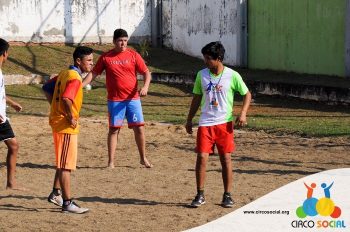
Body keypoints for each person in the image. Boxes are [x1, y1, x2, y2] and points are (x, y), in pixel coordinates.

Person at [186, 41, 252, 208]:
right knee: (201, 157)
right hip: (205, 123)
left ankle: (227, 195)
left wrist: (243, 113)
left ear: (219, 58)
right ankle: (200, 194)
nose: (205, 61)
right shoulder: (201, 75)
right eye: (204, 58)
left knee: (226, 159)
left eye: (208, 58)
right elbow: (196, 98)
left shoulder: (232, 75)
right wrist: (189, 119)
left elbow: (247, 94)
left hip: (224, 124)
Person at [83, 28, 152, 169]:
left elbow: (146, 72)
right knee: (114, 130)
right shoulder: (106, 57)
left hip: (133, 99)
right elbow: (94, 73)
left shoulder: (133, 55)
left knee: (139, 128)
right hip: (115, 100)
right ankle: (111, 162)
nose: (123, 43)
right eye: (120, 40)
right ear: (114, 41)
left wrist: (145, 87)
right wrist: (81, 84)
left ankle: (143, 158)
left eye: (125, 40)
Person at [42, 46, 94, 214]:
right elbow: (66, 99)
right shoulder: (74, 78)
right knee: (65, 166)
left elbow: (47, 87)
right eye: (89, 60)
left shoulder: (65, 73)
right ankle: (67, 203)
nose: (92, 63)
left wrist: (54, 107)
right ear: (78, 61)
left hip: (59, 122)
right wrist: (70, 116)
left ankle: (56, 193)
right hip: (65, 126)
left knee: (63, 161)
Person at [0, 38, 23, 190]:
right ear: (4, 53)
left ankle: (10, 183)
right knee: (13, 146)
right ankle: (11, 183)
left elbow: (1, 93)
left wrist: (11, 102)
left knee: (13, 146)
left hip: (1, 118)